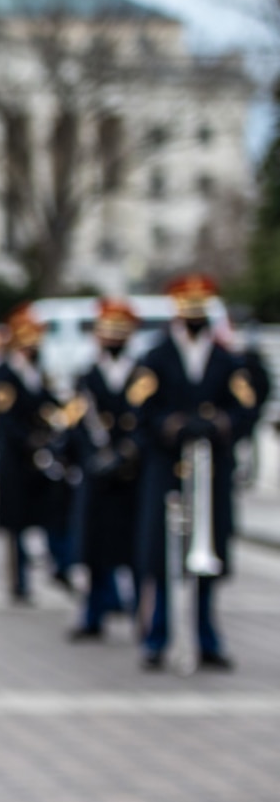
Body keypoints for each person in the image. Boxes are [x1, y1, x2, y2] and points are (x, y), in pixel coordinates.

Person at [132, 275, 259, 670]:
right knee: (161, 556)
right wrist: (170, 425)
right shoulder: (155, 356)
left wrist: (220, 424)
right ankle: (158, 636)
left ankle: (206, 637)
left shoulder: (227, 359)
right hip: (167, 470)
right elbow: (141, 407)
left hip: (211, 471)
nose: (193, 314)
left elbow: (246, 406)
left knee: (210, 555)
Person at [0, 306, 73, 604]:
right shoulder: (3, 375)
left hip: (39, 460)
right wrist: (31, 441)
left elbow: (49, 406)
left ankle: (60, 564)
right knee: (15, 524)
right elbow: (6, 421)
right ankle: (18, 582)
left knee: (51, 514)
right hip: (14, 460)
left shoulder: (39, 373)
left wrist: (59, 421)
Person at [69, 299, 144, 640]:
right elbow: (73, 422)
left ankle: (142, 614)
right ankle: (93, 614)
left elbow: (146, 420)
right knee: (94, 549)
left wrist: (128, 452)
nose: (113, 339)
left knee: (136, 550)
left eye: (119, 333)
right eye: (107, 333)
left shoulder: (142, 374)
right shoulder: (85, 376)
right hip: (96, 476)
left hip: (131, 477)